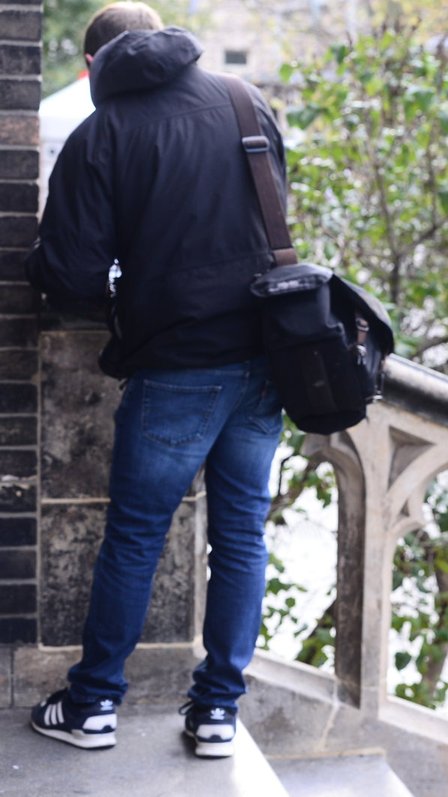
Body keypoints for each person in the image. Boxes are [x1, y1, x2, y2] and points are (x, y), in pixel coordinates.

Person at [25, 2, 285, 758]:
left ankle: (94, 703)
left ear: (95, 66)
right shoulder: (246, 100)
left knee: (136, 536)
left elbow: (69, 273)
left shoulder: (103, 131)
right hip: (269, 353)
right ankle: (216, 714)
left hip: (178, 361)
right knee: (241, 538)